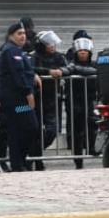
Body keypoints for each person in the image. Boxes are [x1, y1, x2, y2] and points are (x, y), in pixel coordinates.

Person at [0, 22, 39, 172]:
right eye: (19, 33)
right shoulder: (11, 51)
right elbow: (18, 74)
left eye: (24, 33)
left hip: (16, 100)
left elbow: (26, 71)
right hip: (16, 100)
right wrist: (28, 93)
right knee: (27, 127)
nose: (23, 36)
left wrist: (34, 75)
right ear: (10, 36)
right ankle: (18, 163)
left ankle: (19, 162)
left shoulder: (17, 51)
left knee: (22, 129)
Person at [32, 30, 70, 168]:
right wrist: (48, 72)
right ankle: (36, 160)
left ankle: (34, 152)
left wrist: (62, 72)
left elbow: (68, 68)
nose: (52, 45)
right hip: (34, 100)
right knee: (34, 130)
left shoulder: (59, 57)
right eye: (49, 43)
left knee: (52, 130)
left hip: (52, 99)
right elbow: (30, 69)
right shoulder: (33, 57)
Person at [62, 35, 99, 168]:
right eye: (80, 51)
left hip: (90, 100)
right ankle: (78, 160)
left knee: (93, 125)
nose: (83, 53)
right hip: (75, 101)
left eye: (85, 51)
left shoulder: (94, 64)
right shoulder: (71, 64)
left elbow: (98, 72)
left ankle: (92, 148)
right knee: (78, 131)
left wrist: (76, 70)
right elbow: (64, 71)